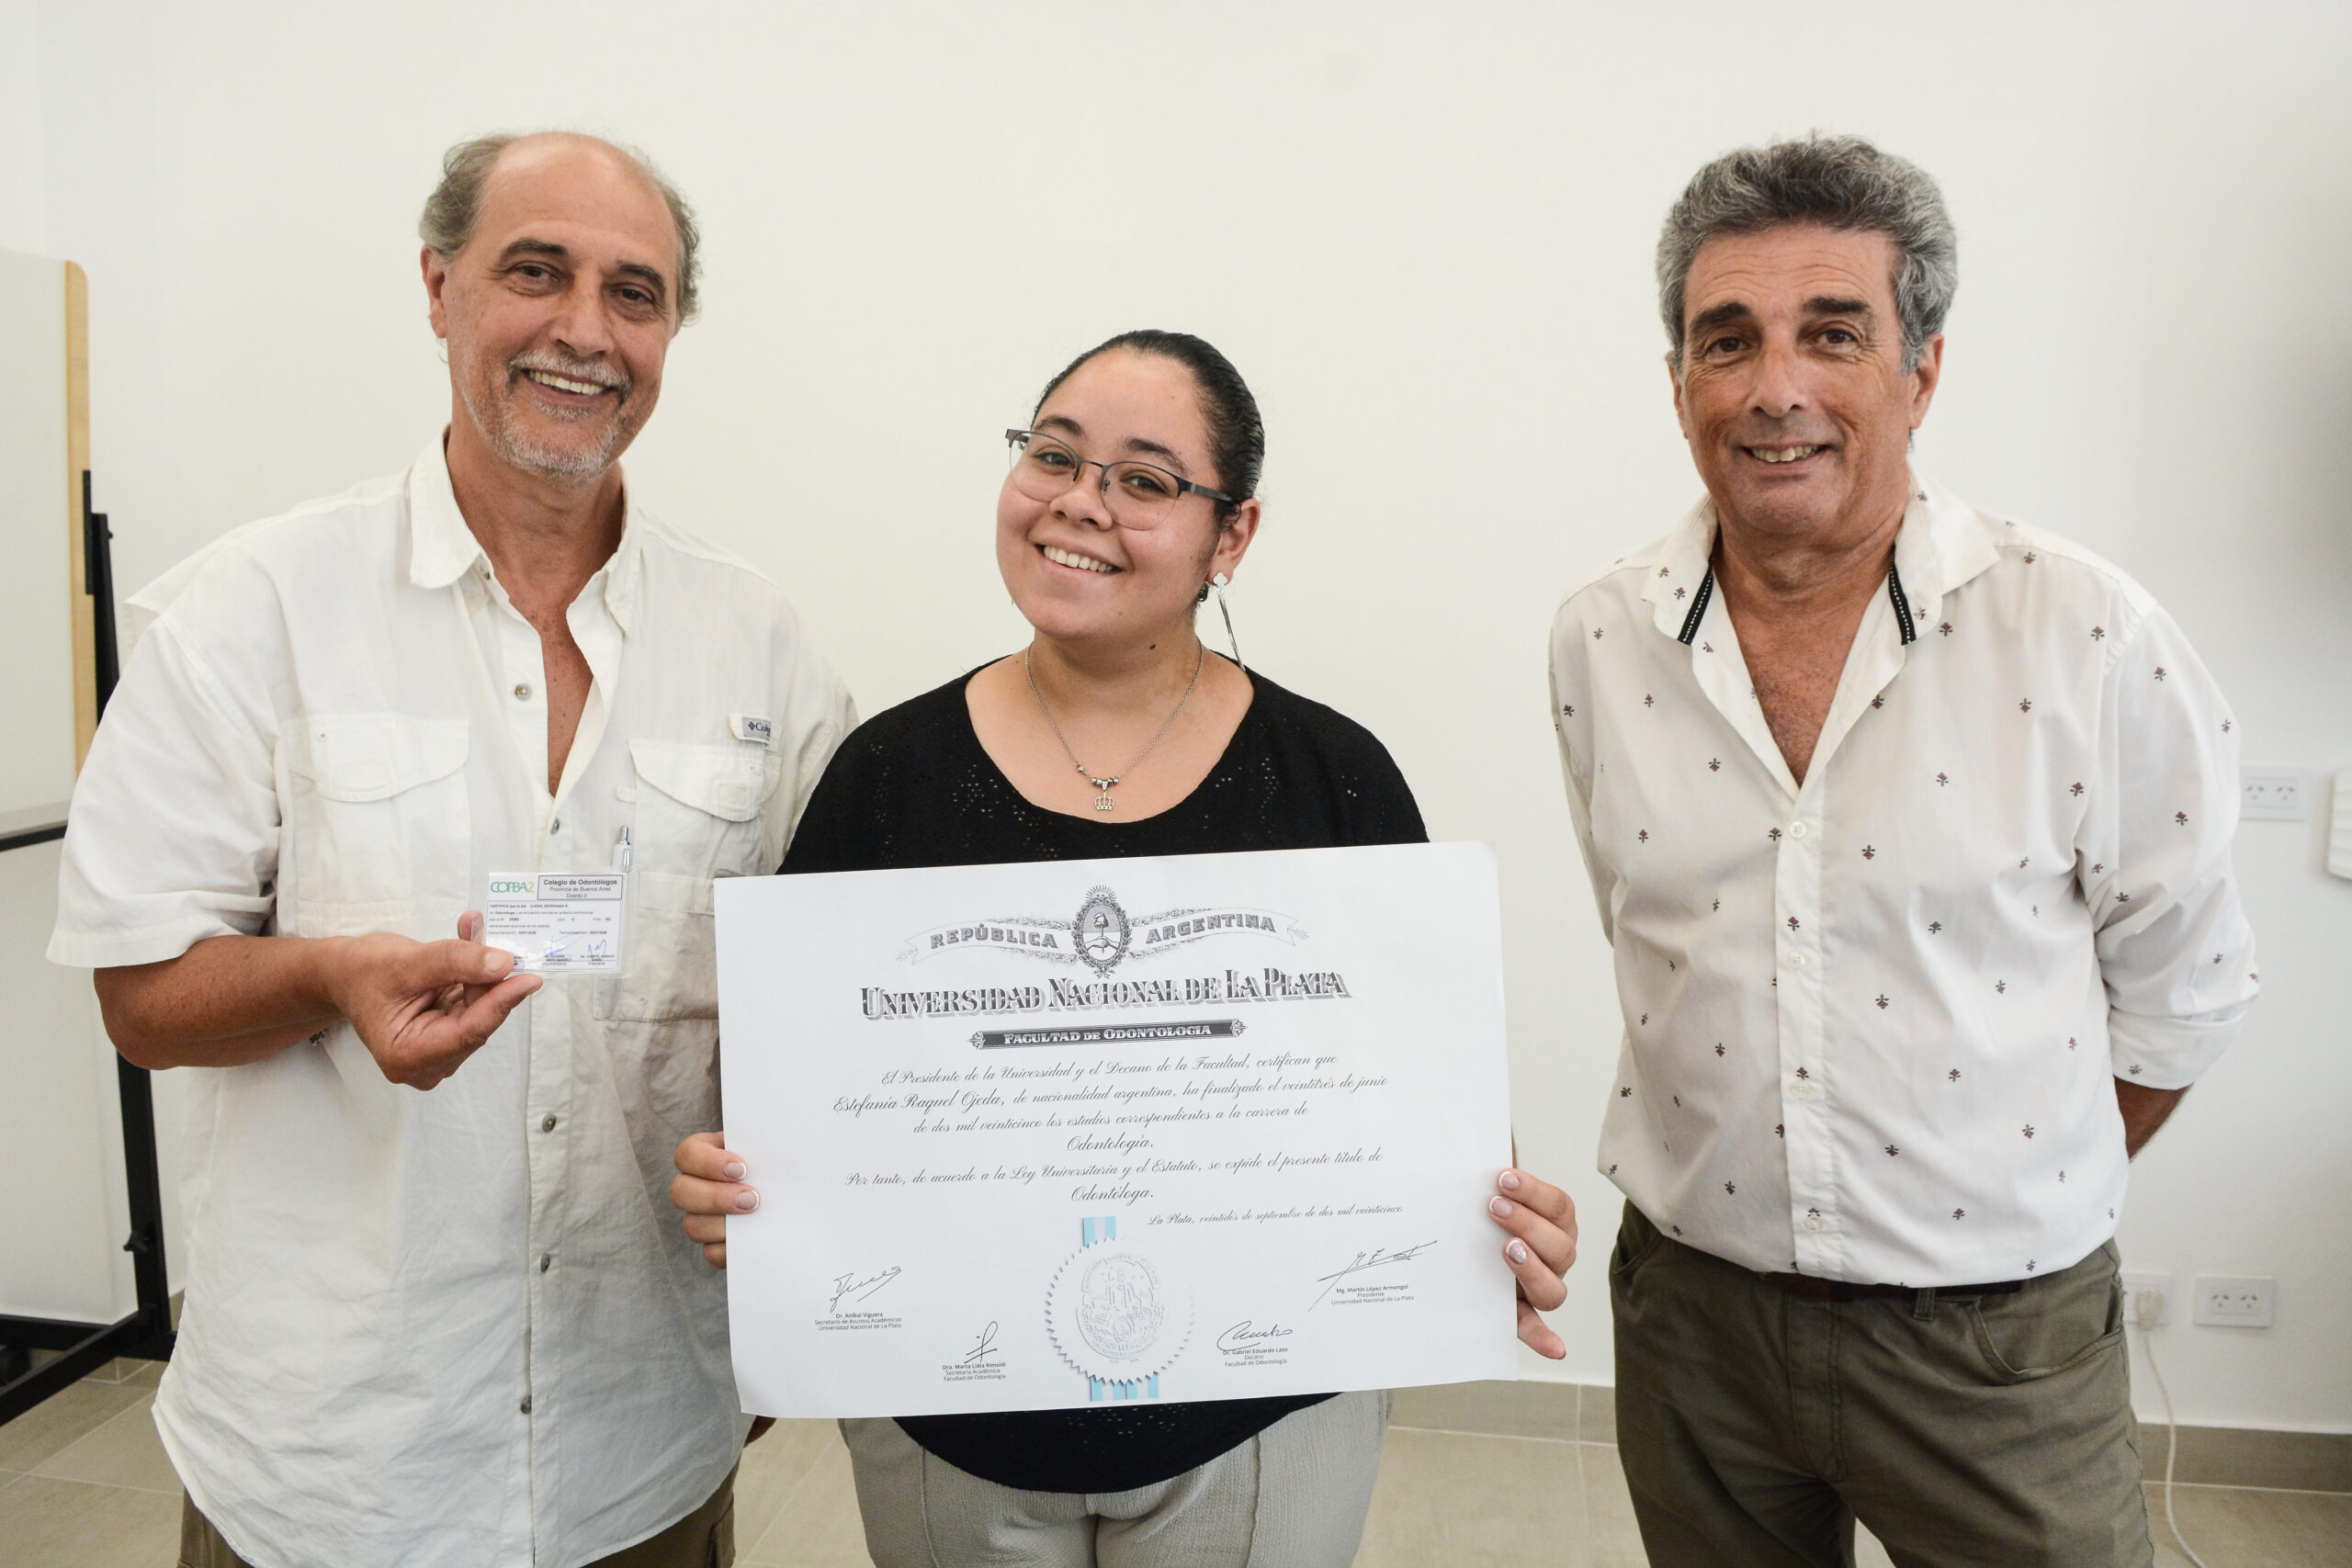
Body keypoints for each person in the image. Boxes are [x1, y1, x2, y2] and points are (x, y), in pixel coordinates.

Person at [46, 130, 853, 1567]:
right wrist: (330, 981)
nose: (585, 331)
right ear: (437, 289)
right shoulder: (256, 608)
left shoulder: (763, 647)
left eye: (635, 293)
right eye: (535, 272)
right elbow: (142, 997)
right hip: (330, 1468)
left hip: (641, 1446)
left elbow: (824, 1014)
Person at [673, 330, 1577, 1567]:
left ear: (1231, 535)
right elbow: (792, 1092)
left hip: (1263, 1426)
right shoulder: (886, 773)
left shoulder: (1334, 777)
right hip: (947, 1422)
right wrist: (745, 1189)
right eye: (1053, 455)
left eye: (1144, 480)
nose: (1079, 502)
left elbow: (1416, 1107)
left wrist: (1493, 1223)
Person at [1547, 134, 2258, 1566]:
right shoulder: (1600, 637)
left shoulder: (2084, 630)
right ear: (1679, 384)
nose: (1776, 388)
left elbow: (2182, 992)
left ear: (1921, 371)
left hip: (1994, 1349)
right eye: (1727, 340)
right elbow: (1641, 932)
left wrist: (1990, 1197)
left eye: (1833, 334)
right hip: (1693, 1324)